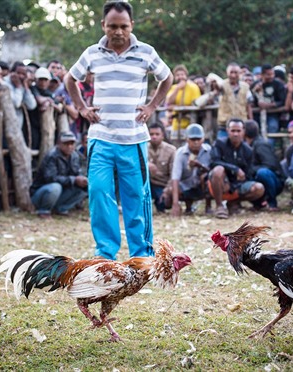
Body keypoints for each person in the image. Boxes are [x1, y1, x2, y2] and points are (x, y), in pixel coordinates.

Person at [64, 1, 173, 260]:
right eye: (112, 26)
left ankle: (142, 255)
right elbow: (70, 79)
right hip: (100, 138)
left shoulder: (146, 52)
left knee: (137, 196)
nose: (118, 31)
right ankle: (105, 253)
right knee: (99, 193)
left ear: (131, 25)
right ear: (103, 25)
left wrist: (152, 106)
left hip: (133, 139)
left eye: (123, 26)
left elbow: (167, 77)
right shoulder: (92, 52)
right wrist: (81, 107)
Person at [209, 118, 265, 218]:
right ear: (227, 131)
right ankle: (219, 206)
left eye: (238, 131)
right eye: (233, 131)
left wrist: (234, 185)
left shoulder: (248, 150)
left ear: (243, 132)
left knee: (258, 188)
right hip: (220, 180)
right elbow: (214, 162)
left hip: (236, 184)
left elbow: (248, 174)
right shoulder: (219, 144)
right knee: (218, 170)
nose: (235, 134)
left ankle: (233, 202)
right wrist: (235, 169)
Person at [30, 131, 88, 218]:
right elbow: (50, 178)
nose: (69, 146)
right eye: (66, 144)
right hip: (41, 193)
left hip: (61, 192)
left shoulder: (74, 156)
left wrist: (82, 180)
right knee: (55, 187)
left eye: (72, 144)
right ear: (59, 144)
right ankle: (44, 210)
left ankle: (62, 208)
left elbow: (76, 173)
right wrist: (74, 179)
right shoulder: (52, 156)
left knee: (86, 186)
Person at [168, 123, 212, 217]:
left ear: (203, 139)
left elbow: (212, 172)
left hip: (202, 185)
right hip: (186, 186)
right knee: (168, 195)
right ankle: (187, 206)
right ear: (187, 139)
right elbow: (175, 178)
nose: (196, 142)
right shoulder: (180, 153)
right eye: (193, 139)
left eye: (198, 139)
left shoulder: (208, 150)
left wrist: (199, 166)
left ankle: (208, 206)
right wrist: (175, 203)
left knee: (207, 177)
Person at [244, 120, 284, 211]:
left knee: (262, 173)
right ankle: (257, 204)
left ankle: (272, 203)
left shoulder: (261, 144)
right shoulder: (246, 145)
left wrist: (250, 170)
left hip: (274, 181)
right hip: (260, 178)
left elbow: (270, 165)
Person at [213, 62, 252, 140]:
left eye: (236, 72)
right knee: (222, 146)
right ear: (227, 73)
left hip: (241, 124)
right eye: (231, 72)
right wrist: (215, 84)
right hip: (224, 124)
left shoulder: (245, 87)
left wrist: (251, 121)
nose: (233, 75)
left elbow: (249, 106)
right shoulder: (222, 84)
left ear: (239, 73)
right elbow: (218, 88)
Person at [250, 64, 287, 140]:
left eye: (272, 74)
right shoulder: (255, 84)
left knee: (272, 128)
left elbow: (282, 101)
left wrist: (269, 105)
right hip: (257, 114)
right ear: (262, 75)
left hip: (273, 113)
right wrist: (254, 91)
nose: (271, 76)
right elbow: (250, 100)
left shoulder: (278, 84)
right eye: (268, 74)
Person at [147, 122, 176, 213]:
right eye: (151, 134)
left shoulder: (171, 150)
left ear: (163, 135)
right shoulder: (142, 148)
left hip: (162, 185)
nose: (154, 137)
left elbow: (174, 174)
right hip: (146, 184)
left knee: (164, 204)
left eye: (157, 134)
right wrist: (146, 164)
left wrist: (167, 190)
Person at [166, 64, 202, 133]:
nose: (180, 77)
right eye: (177, 75)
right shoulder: (174, 88)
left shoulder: (193, 87)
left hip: (191, 124)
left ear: (186, 75)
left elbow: (195, 105)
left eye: (182, 74)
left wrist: (176, 107)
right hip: (176, 126)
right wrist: (177, 88)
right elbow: (168, 103)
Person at [3, 62, 37, 130]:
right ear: (11, 72)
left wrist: (26, 87)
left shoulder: (22, 84)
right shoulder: (4, 84)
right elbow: (16, 103)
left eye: (23, 74)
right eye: (18, 73)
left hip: (17, 127)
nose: (21, 76)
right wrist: (18, 87)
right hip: (4, 125)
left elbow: (32, 105)